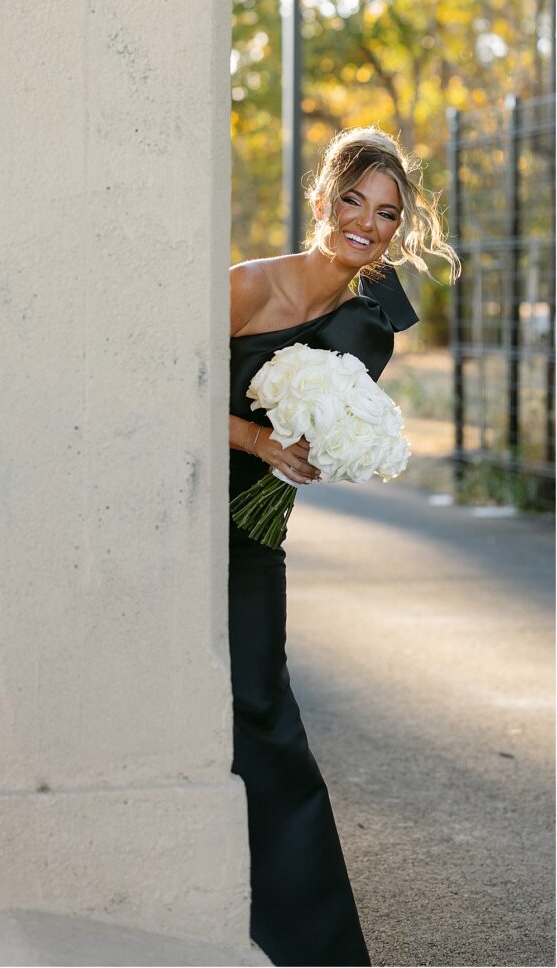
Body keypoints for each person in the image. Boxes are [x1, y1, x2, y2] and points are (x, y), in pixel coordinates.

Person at [228, 126, 461, 967]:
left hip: (251, 535)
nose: (369, 222)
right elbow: (155, 390)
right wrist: (253, 442)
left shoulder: (370, 329)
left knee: (264, 713)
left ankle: (314, 949)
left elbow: (325, 435)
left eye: (389, 213)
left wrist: (309, 448)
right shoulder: (243, 287)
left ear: (398, 230)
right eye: (355, 200)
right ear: (323, 199)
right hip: (177, 515)